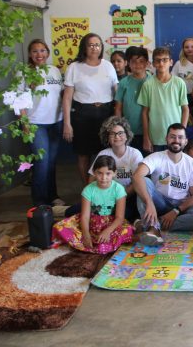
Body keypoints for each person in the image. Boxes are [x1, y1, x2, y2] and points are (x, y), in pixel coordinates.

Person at [132, 123, 193, 246]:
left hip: (181, 206)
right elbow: (137, 176)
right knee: (143, 181)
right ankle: (153, 226)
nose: (176, 140)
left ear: (186, 141)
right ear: (166, 139)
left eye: (180, 137)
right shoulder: (156, 157)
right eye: (172, 137)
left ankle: (152, 226)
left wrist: (176, 211)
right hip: (159, 202)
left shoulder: (191, 163)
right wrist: (150, 203)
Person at [63, 33, 118, 184]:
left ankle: (106, 186)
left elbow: (117, 91)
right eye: (91, 45)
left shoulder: (108, 66)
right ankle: (87, 188)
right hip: (82, 115)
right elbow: (67, 98)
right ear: (84, 47)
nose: (95, 48)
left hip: (106, 114)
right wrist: (67, 124)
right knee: (83, 154)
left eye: (98, 45)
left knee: (106, 153)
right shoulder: (74, 67)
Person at [52, 155, 133, 254]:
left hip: (110, 224)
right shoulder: (88, 190)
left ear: (114, 173)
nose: (103, 178)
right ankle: (94, 243)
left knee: (127, 230)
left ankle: (100, 244)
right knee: (60, 227)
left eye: (108, 173)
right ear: (94, 173)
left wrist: (107, 231)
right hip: (91, 222)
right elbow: (85, 216)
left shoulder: (119, 189)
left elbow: (119, 217)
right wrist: (86, 235)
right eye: (100, 173)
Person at [19, 39, 65, 207]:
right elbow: (19, 100)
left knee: (51, 163)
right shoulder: (24, 72)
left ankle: (53, 196)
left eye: (42, 50)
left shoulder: (54, 71)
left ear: (47, 52)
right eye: (35, 51)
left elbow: (61, 95)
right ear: (30, 54)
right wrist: (24, 124)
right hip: (35, 124)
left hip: (56, 121)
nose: (39, 54)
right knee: (42, 162)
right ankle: (40, 202)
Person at [88, 116, 143, 222]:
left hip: (128, 196)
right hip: (105, 197)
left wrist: (119, 197)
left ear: (127, 136)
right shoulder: (103, 154)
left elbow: (138, 182)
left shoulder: (135, 154)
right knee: (72, 211)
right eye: (112, 134)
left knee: (126, 214)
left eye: (120, 133)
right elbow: (91, 179)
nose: (117, 137)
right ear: (107, 137)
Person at [137, 47, 189, 153]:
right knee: (157, 169)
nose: (161, 63)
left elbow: (185, 109)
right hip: (155, 138)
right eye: (158, 60)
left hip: (176, 138)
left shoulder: (179, 83)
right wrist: (146, 137)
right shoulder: (147, 85)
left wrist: (182, 133)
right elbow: (144, 113)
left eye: (165, 60)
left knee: (175, 167)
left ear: (171, 62)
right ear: (153, 63)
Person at [114, 46, 149, 153]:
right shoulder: (124, 82)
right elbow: (118, 108)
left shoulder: (152, 82)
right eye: (133, 62)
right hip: (128, 131)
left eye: (141, 61)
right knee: (129, 163)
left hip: (148, 131)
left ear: (147, 63)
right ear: (128, 63)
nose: (137, 65)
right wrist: (120, 130)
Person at [172, 37, 193, 104]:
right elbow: (172, 81)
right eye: (186, 47)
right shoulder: (178, 64)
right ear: (183, 49)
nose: (190, 49)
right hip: (183, 97)